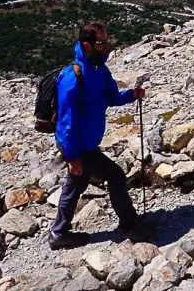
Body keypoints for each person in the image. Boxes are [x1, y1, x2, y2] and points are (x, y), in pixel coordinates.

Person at [49, 22, 148, 250]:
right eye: (101, 43)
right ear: (87, 44)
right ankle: (129, 223)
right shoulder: (73, 76)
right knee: (114, 175)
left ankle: (59, 232)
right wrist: (72, 157)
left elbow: (110, 97)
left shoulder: (99, 71)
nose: (105, 46)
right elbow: (65, 122)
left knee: (75, 186)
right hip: (80, 147)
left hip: (87, 144)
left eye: (106, 42)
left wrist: (131, 95)